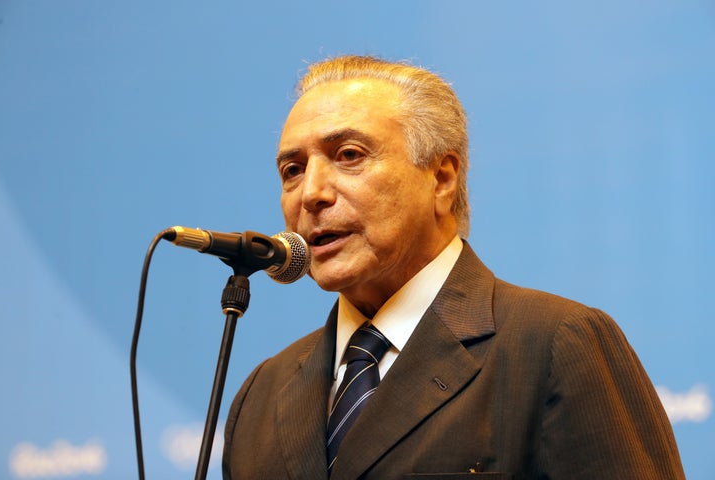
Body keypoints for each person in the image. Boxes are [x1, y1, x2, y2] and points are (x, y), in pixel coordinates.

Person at [222, 55, 684, 479]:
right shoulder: (260, 395)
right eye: (292, 170)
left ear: (441, 179)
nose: (311, 193)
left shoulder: (556, 345)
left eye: (349, 155)